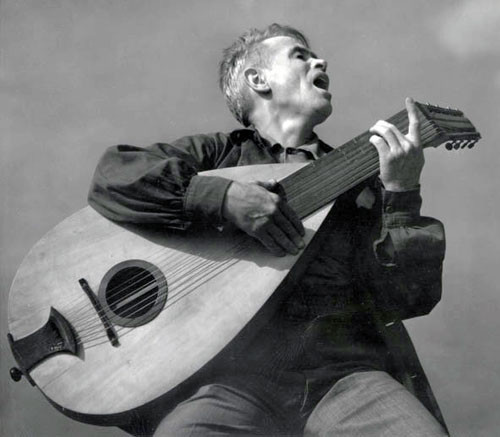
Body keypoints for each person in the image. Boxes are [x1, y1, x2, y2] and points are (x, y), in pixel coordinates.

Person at [89, 24, 448, 436]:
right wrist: (223, 197)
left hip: (345, 373)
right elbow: (113, 175)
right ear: (258, 80)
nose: (320, 61)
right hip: (229, 378)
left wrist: (402, 193)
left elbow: (409, 297)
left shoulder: (363, 186)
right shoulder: (218, 155)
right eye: (300, 55)